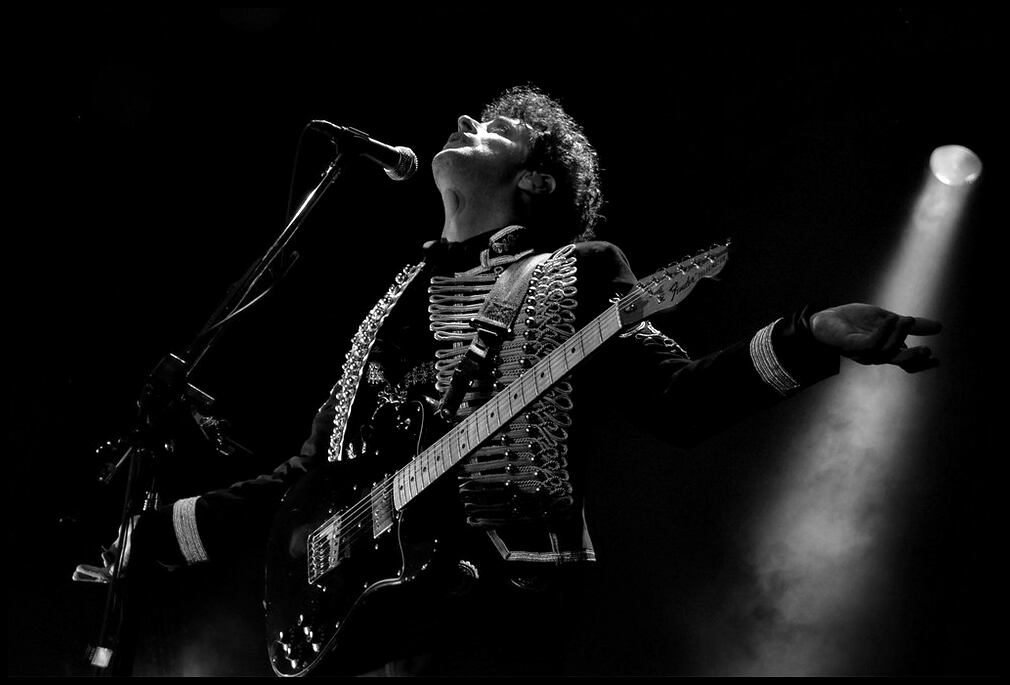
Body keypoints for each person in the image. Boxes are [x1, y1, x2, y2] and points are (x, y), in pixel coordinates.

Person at [82, 85, 941, 675]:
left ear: (533, 178)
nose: (463, 117)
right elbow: (305, 484)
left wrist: (810, 336)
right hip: (361, 634)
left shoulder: (577, 274)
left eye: (495, 128)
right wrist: (151, 533)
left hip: (492, 615)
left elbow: (680, 402)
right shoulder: (392, 301)